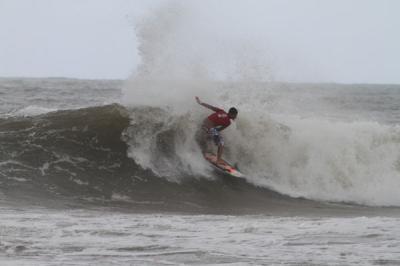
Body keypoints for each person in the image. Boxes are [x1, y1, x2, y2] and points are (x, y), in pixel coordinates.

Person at [195, 96, 238, 164]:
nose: (236, 117)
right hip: (210, 128)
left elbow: (211, 107)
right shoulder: (228, 122)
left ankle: (202, 148)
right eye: (235, 115)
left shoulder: (222, 111)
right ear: (232, 114)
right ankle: (218, 160)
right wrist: (212, 133)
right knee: (221, 143)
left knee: (211, 135)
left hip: (203, 124)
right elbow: (218, 129)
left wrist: (200, 102)